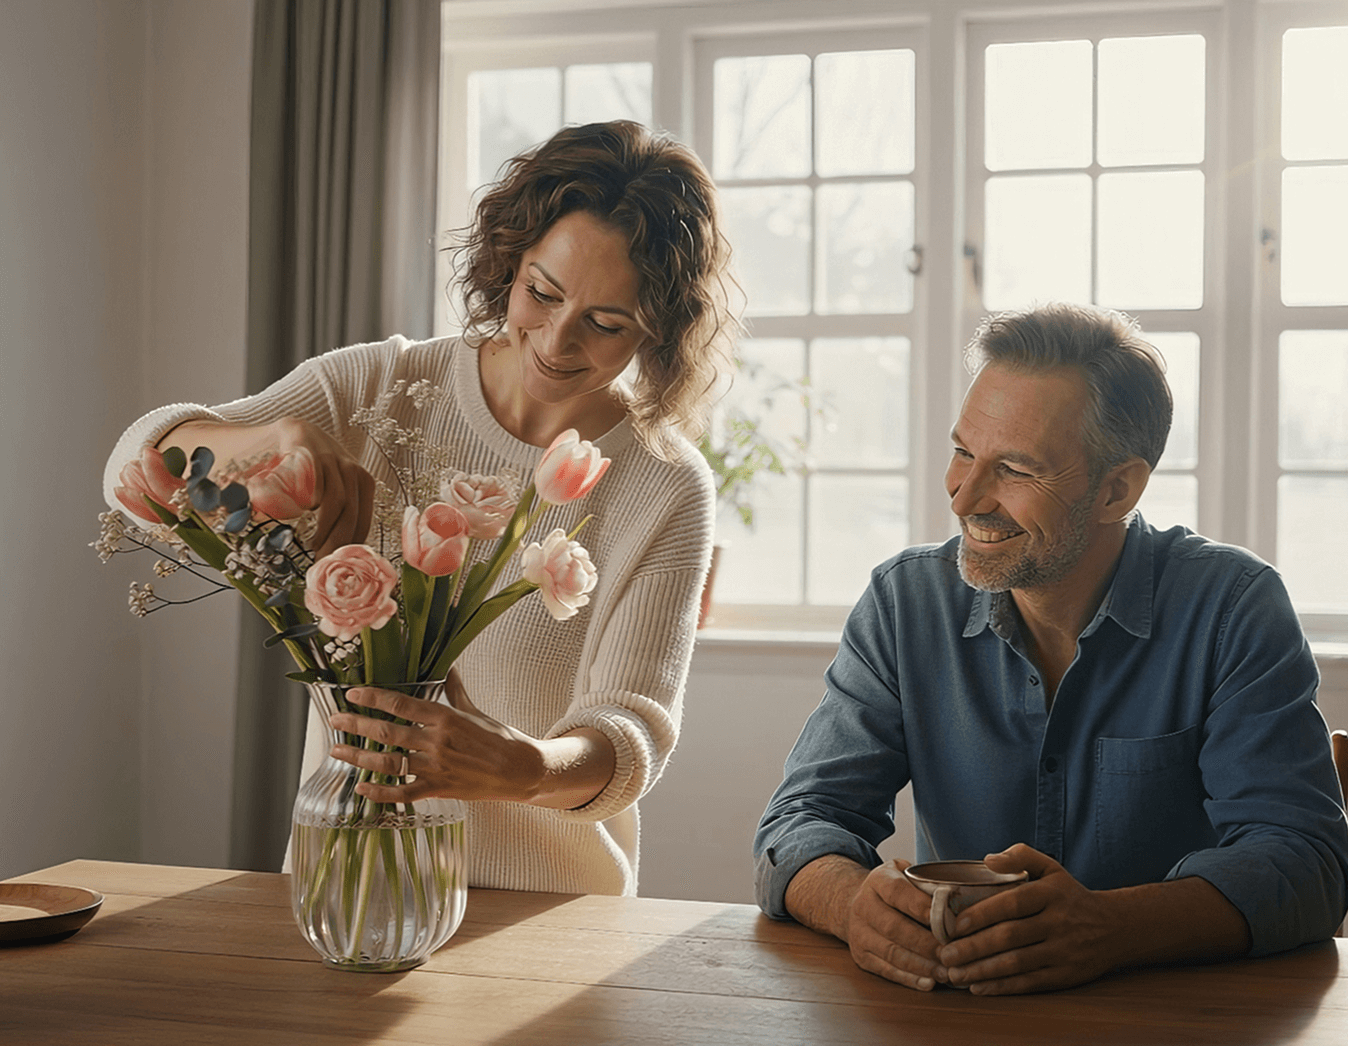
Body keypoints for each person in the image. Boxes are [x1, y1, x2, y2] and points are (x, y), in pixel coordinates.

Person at [104, 120, 737, 896]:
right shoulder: (383, 387)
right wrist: (269, 438)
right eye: (541, 293)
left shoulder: (666, 483)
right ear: (509, 260)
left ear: (661, 331)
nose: (555, 341)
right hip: (346, 887)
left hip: (549, 913)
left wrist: (524, 768)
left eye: (606, 324)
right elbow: (134, 465)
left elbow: (632, 733)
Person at [753, 302, 1348, 994]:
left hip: (1177, 1017)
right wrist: (854, 905)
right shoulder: (904, 603)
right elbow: (798, 823)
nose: (964, 498)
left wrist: (1110, 928)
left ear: (1117, 490)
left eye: (1014, 469)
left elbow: (1307, 863)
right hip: (958, 1016)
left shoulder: (1233, 607)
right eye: (963, 453)